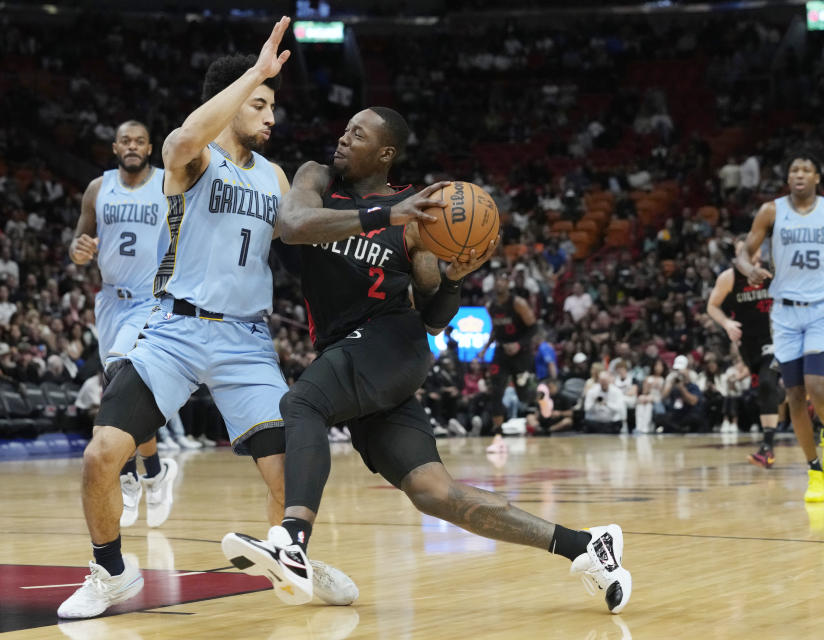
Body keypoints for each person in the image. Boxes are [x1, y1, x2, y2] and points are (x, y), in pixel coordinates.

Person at [222, 106, 632, 614]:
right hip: (350, 352)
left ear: (386, 153)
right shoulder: (318, 178)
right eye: (345, 130)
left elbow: (434, 316)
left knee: (302, 404)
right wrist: (383, 216)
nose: (343, 139)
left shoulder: (419, 215)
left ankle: (293, 544)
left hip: (391, 343)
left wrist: (454, 276)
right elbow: (293, 224)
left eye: (358, 134)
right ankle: (585, 546)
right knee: (434, 493)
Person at [58, 18, 354, 619]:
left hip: (246, 342)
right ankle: (110, 571)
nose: (272, 117)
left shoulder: (274, 177)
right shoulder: (191, 160)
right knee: (100, 455)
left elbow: (305, 240)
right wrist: (255, 73)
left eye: (275, 106)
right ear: (235, 101)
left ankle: (292, 558)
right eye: (261, 105)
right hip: (174, 331)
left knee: (286, 479)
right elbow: (182, 138)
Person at [69, 120, 179, 531]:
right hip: (111, 303)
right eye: (125, 141)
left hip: (152, 301)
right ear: (115, 148)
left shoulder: (170, 182)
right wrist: (79, 252)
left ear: (150, 146)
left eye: (139, 141)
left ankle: (133, 474)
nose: (132, 146)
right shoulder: (98, 190)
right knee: (128, 392)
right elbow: (78, 244)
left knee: (121, 379)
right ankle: (150, 469)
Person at [736, 151, 824, 501]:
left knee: (817, 385)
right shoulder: (772, 211)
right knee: (795, 395)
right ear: (788, 178)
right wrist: (749, 270)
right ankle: (816, 470)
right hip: (785, 314)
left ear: (817, 178)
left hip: (820, 308)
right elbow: (743, 252)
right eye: (794, 170)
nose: (799, 174)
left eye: (806, 169)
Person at [709, 239, 783, 464]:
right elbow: (712, 306)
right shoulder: (729, 278)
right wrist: (727, 324)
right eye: (740, 251)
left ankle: (767, 448)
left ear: (759, 251)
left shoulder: (772, 271)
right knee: (765, 390)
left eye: (749, 250)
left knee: (767, 383)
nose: (745, 255)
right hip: (749, 346)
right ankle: (767, 449)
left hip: (777, 339)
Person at [477, 275, 537, 435]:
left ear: (508, 284)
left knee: (523, 395)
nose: (499, 283)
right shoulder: (491, 306)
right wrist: (485, 347)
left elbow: (533, 328)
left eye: (502, 280)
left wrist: (518, 344)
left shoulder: (518, 303)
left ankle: (540, 396)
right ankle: (498, 428)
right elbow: (496, 329)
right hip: (501, 352)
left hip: (521, 353)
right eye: (497, 281)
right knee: (496, 390)